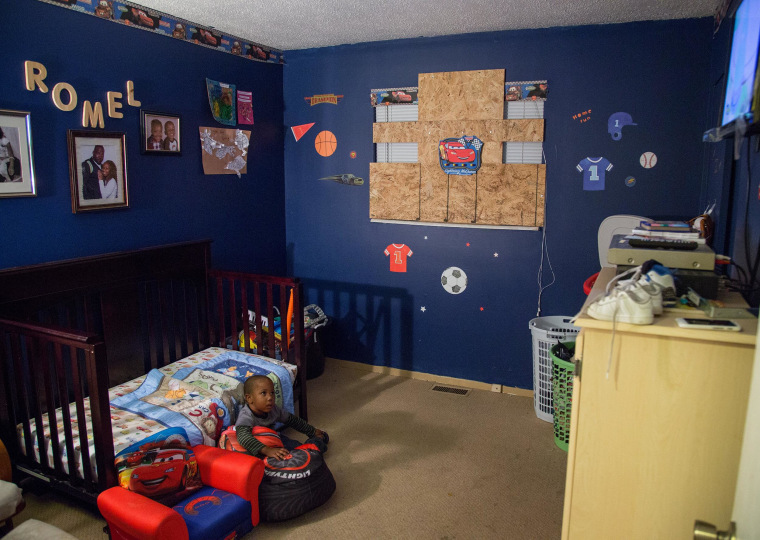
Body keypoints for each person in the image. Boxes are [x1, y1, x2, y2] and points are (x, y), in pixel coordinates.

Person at [235, 375, 328, 459]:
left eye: (272, 393)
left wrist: (311, 431)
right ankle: (317, 442)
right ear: (249, 398)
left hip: (274, 440)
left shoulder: (273, 409)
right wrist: (267, 450)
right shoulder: (246, 415)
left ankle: (317, 440)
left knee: (300, 449)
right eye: (264, 393)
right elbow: (243, 437)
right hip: (257, 447)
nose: (270, 398)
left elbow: (293, 420)